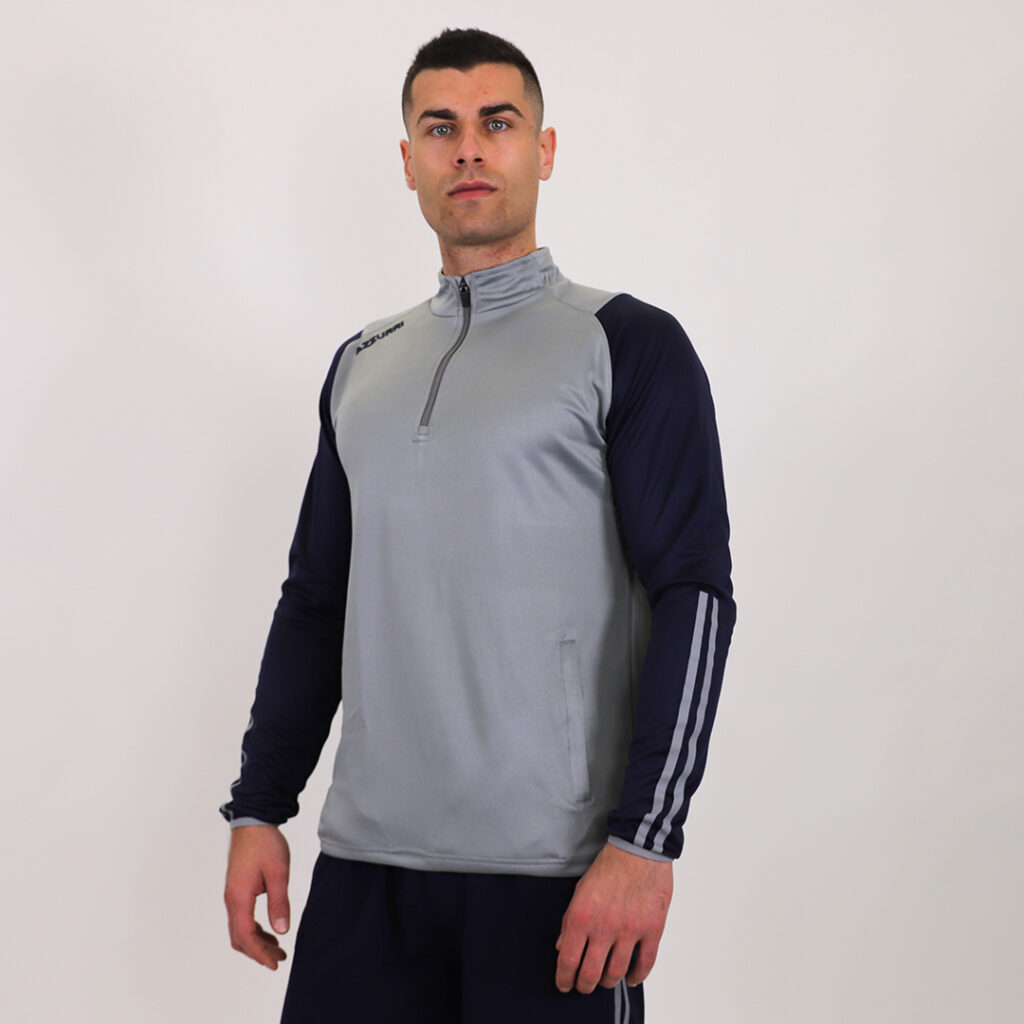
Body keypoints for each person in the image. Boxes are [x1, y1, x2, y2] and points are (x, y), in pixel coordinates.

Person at [221, 27, 735, 1024]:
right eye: (439, 127)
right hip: (366, 874)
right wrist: (259, 805)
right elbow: (317, 600)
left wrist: (645, 840)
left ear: (543, 149)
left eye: (497, 123)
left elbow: (694, 594)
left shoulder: (626, 343)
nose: (467, 149)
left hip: (554, 877)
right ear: (408, 159)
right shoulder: (362, 364)